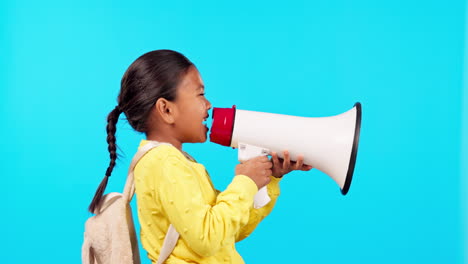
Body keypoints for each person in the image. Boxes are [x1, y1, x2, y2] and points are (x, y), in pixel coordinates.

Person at [88, 50, 312, 264]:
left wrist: (267, 179)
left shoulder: (177, 161)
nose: (208, 105)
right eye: (200, 94)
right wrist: (245, 182)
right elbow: (207, 238)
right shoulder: (162, 162)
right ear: (166, 110)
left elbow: (229, 231)